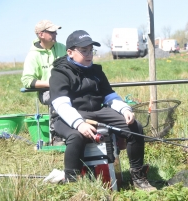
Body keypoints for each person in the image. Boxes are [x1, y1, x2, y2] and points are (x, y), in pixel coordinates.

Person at [49, 30, 157, 191]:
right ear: (70, 52)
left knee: (135, 127)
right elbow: (61, 105)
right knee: (76, 136)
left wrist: (124, 109)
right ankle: (71, 183)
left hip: (96, 112)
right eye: (84, 50)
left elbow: (109, 95)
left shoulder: (96, 70)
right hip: (66, 115)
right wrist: (79, 123)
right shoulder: (59, 72)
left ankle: (138, 177)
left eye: (91, 50)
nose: (89, 54)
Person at [21, 20, 67, 145]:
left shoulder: (63, 48)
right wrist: (51, 84)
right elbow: (27, 81)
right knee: (58, 97)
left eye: (55, 31)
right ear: (41, 34)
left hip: (66, 87)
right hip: (47, 91)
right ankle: (57, 137)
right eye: (51, 32)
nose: (55, 34)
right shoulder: (33, 56)